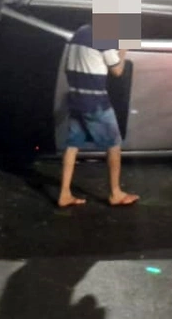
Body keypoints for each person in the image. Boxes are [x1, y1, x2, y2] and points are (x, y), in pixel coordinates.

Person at [58, 22, 140, 208]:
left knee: (72, 145)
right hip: (96, 102)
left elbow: (66, 67)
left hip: (76, 97)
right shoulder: (104, 38)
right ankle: (115, 194)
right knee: (114, 145)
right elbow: (117, 71)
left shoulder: (78, 32)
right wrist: (124, 47)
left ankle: (64, 194)